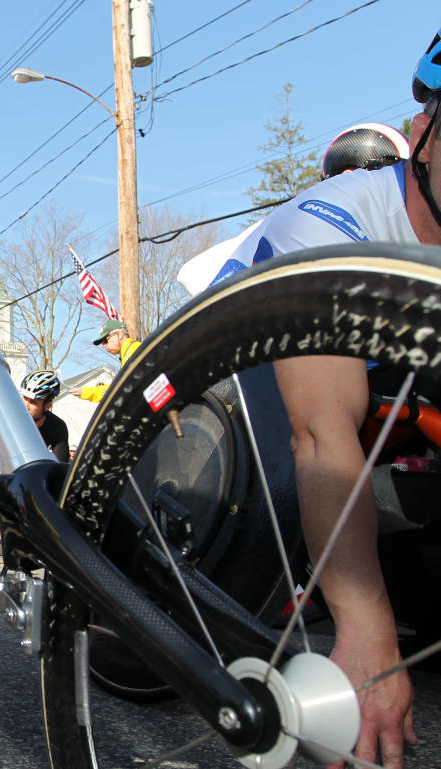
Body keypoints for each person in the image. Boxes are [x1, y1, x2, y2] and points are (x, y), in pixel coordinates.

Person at [204, 32, 441, 769]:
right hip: (232, 445)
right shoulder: (334, 220)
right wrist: (365, 627)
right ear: (424, 130)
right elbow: (317, 429)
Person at [178, 123, 411, 297]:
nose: (352, 189)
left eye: (366, 176)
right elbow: (196, 275)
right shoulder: (306, 224)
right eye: (341, 181)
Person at [68, 318, 142, 404]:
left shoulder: (133, 351)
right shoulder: (128, 354)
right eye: (102, 343)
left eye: (105, 340)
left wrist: (90, 392)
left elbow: (124, 389)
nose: (104, 345)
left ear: (120, 335)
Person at [19, 370, 69, 462]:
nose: (26, 405)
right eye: (25, 398)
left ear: (47, 406)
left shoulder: (57, 426)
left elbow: (60, 465)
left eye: (33, 402)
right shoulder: (10, 417)